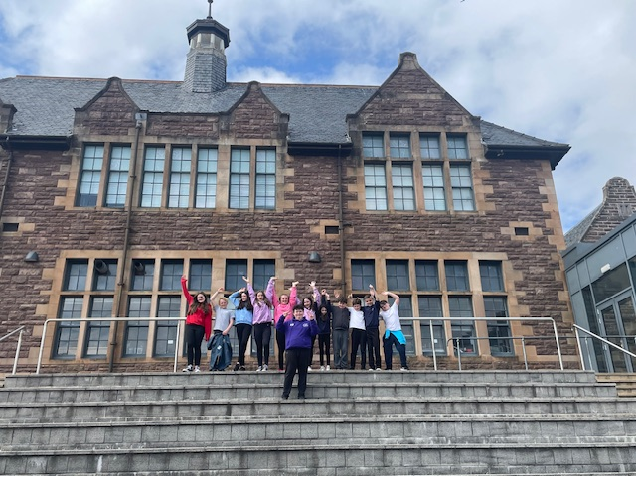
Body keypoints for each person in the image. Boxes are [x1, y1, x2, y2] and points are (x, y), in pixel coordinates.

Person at [275, 304, 318, 399]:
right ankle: (285, 394)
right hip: (291, 351)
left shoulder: (308, 323)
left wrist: (312, 321)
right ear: (293, 313)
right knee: (289, 373)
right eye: (297, 312)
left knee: (303, 373)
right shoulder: (288, 323)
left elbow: (314, 332)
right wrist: (282, 317)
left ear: (303, 313)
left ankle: (301, 394)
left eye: (300, 311)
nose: (298, 313)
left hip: (304, 351)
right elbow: (278, 327)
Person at [181, 276, 213, 373]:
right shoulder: (191, 301)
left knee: (197, 346)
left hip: (200, 327)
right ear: (196, 298)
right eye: (199, 296)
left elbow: (208, 321)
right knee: (190, 344)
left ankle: (197, 366)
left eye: (202, 297)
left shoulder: (207, 307)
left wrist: (208, 334)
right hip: (190, 325)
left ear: (204, 298)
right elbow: (185, 292)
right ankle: (190, 365)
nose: (200, 298)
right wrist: (183, 282)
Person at [266, 277, 299, 371]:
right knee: (281, 349)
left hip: (289, 329)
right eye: (282, 298)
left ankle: (291, 366)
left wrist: (293, 287)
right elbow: (273, 296)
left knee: (290, 349)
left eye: (285, 298)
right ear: (280, 300)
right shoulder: (277, 305)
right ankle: (280, 367)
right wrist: (271, 283)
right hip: (280, 329)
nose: (284, 299)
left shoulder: (290, 305)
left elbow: (293, 298)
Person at [246, 277, 273, 371]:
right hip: (257, 326)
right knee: (258, 346)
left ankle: (265, 364)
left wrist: (271, 281)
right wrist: (248, 283)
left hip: (266, 325)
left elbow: (269, 291)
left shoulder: (267, 302)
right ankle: (259, 365)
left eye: (261, 295)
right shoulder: (254, 303)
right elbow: (250, 294)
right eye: (259, 296)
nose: (260, 297)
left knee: (265, 343)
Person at [379, 291, 409, 370]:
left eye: (385, 304)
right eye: (382, 306)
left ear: (388, 304)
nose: (384, 306)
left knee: (401, 349)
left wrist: (388, 293)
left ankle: (404, 366)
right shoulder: (382, 313)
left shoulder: (394, 308)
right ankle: (389, 367)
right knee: (387, 350)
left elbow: (397, 298)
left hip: (397, 332)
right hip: (389, 332)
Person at [229, 276, 254, 371]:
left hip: (247, 324)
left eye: (244, 296)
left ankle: (239, 362)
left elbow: (252, 295)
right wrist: (238, 292)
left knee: (244, 342)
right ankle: (241, 364)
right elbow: (231, 297)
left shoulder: (250, 304)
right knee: (241, 343)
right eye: (242, 296)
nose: (243, 297)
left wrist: (248, 284)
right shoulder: (237, 303)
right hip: (239, 324)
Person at [208, 288, 235, 371]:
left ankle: (222, 366)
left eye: (224, 302)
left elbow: (231, 322)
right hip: (217, 332)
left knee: (224, 350)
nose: (223, 304)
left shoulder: (230, 311)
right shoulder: (218, 309)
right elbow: (212, 299)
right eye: (221, 303)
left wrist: (227, 330)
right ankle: (213, 366)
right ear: (220, 304)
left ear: (226, 303)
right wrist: (218, 292)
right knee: (216, 350)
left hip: (224, 332)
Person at [302, 281, 321, 371]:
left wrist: (314, 288)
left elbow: (318, 299)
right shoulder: (301, 310)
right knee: (303, 347)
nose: (306, 303)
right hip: (303, 330)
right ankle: (303, 364)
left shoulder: (314, 309)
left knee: (310, 347)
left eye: (308, 301)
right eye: (305, 302)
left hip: (312, 330)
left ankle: (309, 364)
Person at [362, 285, 382, 371]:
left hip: (375, 329)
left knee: (376, 347)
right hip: (367, 330)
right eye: (367, 301)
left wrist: (373, 290)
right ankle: (371, 366)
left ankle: (378, 366)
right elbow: (355, 307)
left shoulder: (376, 307)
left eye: (370, 300)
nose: (369, 302)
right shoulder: (364, 309)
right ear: (365, 302)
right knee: (369, 348)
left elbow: (377, 299)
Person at [330, 293, 350, 370]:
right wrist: (328, 298)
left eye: (343, 303)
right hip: (336, 330)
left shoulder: (348, 310)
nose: (342, 305)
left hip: (345, 331)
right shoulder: (334, 309)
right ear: (338, 303)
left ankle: (344, 364)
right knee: (336, 348)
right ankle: (337, 364)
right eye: (340, 303)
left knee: (344, 348)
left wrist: (349, 299)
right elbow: (327, 306)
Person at [347, 296, 366, 370]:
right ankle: (352, 366)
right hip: (355, 330)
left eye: (358, 306)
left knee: (363, 349)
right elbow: (345, 306)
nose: (356, 307)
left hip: (363, 330)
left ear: (360, 305)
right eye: (355, 306)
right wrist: (350, 299)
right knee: (354, 349)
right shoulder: (352, 310)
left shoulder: (363, 311)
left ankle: (363, 366)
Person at [317, 290, 332, 371]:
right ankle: (322, 365)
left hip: (327, 333)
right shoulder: (318, 316)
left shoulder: (328, 315)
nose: (324, 312)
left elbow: (328, 307)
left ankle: (328, 364)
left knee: (327, 349)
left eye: (325, 310)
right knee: (321, 350)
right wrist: (320, 297)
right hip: (320, 334)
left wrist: (328, 298)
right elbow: (317, 308)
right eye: (322, 310)